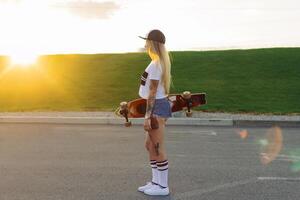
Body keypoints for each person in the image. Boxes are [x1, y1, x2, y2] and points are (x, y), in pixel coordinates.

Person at [137, 29, 172, 196]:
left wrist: (147, 116)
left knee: (157, 148)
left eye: (147, 41)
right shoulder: (156, 62)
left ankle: (163, 187)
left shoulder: (157, 64)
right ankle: (155, 182)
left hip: (156, 107)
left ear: (153, 43)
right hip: (155, 105)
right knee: (149, 145)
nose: (145, 45)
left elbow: (152, 92)